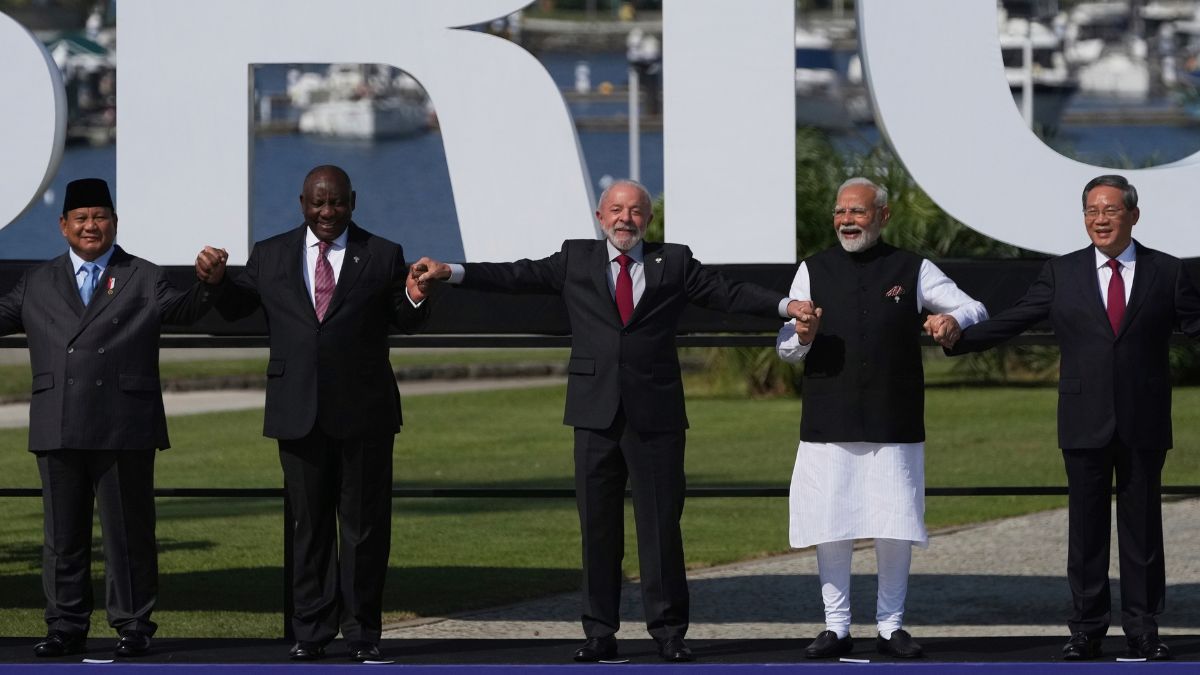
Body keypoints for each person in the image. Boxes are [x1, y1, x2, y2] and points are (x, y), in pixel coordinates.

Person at [412, 179, 813, 663]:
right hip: (593, 414)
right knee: (598, 529)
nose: (627, 218)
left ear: (647, 219)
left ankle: (668, 633)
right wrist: (449, 271)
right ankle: (599, 632)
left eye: (637, 211)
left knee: (661, 528)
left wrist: (786, 306)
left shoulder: (675, 261)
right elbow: (512, 276)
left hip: (657, 417)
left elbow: (729, 294)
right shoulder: (574, 259)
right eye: (617, 210)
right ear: (601, 218)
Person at [948, 174, 1200, 661]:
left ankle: (1143, 629)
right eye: (1091, 211)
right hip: (1083, 419)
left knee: (1143, 531)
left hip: (1144, 421)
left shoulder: (1166, 272)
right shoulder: (1061, 273)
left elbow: (1196, 323)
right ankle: (1086, 630)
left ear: (1133, 215)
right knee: (1085, 531)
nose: (1099, 220)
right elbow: (1016, 318)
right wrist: (959, 334)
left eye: (1109, 210)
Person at [194, 165, 431, 662]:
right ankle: (312, 631)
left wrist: (415, 292)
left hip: (365, 414)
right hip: (296, 410)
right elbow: (236, 308)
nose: (328, 213)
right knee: (309, 527)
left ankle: (362, 632)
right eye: (318, 203)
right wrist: (215, 281)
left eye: (337, 203)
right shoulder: (271, 254)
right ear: (302, 202)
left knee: (365, 530)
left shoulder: (384, 254)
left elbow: (404, 318)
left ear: (353, 202)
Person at [0, 178, 217, 658]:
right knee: (62, 537)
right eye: (81, 218)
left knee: (128, 533)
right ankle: (65, 626)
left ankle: (134, 625)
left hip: (123, 424)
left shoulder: (142, 276)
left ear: (114, 224)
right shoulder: (38, 281)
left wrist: (209, 283)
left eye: (99, 217)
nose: (90, 226)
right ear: (63, 226)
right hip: (58, 422)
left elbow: (184, 310)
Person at [776, 178, 987, 660]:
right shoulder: (812, 270)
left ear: (882, 216)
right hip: (829, 419)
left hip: (895, 418)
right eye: (840, 213)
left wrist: (953, 321)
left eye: (858, 212)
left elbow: (974, 306)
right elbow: (787, 348)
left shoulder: (912, 269)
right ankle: (836, 626)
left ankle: (891, 626)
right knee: (831, 524)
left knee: (895, 523)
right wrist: (803, 334)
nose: (847, 221)